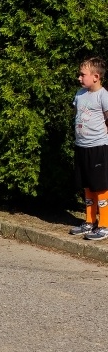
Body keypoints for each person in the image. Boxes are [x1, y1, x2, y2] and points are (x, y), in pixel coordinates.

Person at [69, 56, 108, 240]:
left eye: (82, 74)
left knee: (100, 186)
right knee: (86, 186)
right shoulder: (79, 94)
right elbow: (77, 115)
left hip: (98, 147)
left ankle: (104, 224)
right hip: (81, 146)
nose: (79, 77)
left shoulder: (103, 96)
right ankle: (89, 220)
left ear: (96, 77)